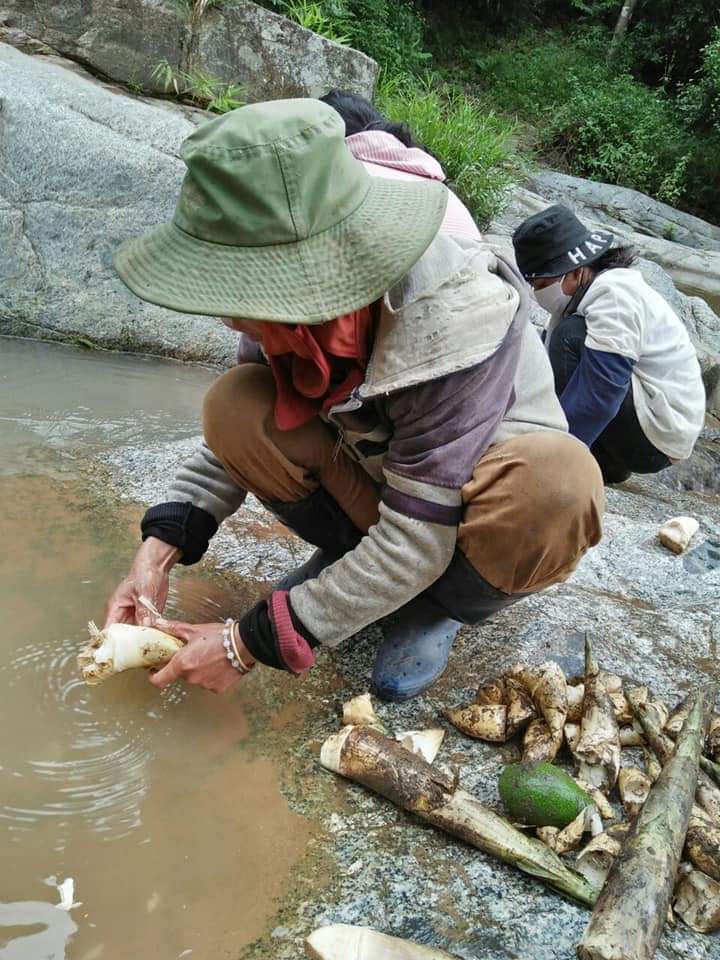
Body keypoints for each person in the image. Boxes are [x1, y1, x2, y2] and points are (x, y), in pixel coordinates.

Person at [106, 99, 604, 703]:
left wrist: (248, 644)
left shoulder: (453, 314)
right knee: (235, 404)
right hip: (384, 492)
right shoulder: (287, 311)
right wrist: (158, 551)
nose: (225, 314)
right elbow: (226, 451)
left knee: (556, 483)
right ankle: (351, 572)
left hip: (462, 513)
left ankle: (435, 608)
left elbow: (420, 535)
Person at [512, 204, 706, 484]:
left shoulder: (615, 296)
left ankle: (566, 452)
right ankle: (603, 461)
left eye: (542, 284)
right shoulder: (586, 295)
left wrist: (548, 458)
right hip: (646, 429)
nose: (537, 293)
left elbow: (600, 396)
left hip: (657, 439)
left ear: (575, 271)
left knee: (569, 336)